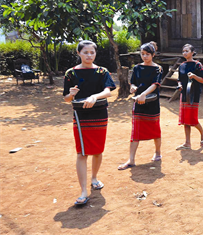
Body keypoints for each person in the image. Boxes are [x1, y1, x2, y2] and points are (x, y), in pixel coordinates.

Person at [63, 40, 116, 206]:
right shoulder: (71, 73)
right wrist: (71, 95)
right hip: (80, 116)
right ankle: (83, 191)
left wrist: (95, 96)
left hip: (100, 115)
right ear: (79, 53)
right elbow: (66, 99)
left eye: (92, 52)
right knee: (82, 152)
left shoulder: (102, 71)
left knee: (98, 151)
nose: (89, 55)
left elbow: (108, 91)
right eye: (85, 52)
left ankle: (94, 178)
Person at [118, 42, 163, 170]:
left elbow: (155, 84)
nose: (144, 56)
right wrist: (133, 88)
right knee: (135, 132)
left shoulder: (158, 68)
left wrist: (143, 93)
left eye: (147, 54)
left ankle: (158, 153)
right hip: (138, 102)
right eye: (142, 54)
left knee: (155, 130)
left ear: (153, 55)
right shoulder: (137, 68)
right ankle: (131, 160)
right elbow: (133, 82)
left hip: (152, 102)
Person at [176, 44, 203, 150]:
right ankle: (187, 143)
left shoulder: (198, 65)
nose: (184, 53)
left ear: (192, 52)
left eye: (187, 51)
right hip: (184, 93)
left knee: (192, 119)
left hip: (194, 94)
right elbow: (179, 79)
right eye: (183, 51)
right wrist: (179, 85)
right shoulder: (182, 65)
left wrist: (194, 76)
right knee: (185, 120)